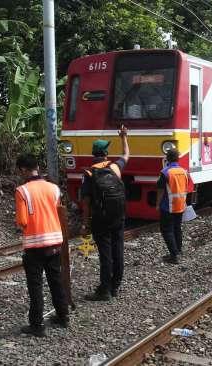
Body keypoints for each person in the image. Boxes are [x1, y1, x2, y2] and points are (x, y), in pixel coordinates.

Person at [15, 154, 69, 337]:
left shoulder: (22, 191)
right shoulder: (54, 189)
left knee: (35, 286)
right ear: (37, 166)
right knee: (56, 281)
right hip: (54, 242)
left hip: (34, 245)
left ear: (23, 169)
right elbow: (58, 211)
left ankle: (37, 325)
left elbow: (22, 221)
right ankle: (63, 316)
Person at [80, 126, 130, 301]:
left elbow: (85, 202)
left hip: (100, 219)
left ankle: (104, 290)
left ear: (94, 154)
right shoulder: (115, 168)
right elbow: (126, 155)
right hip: (118, 216)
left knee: (105, 254)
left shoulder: (88, 173)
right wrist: (124, 137)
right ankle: (116, 285)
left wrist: (85, 224)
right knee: (118, 250)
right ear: (106, 154)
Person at [156, 148, 192, 264]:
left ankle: (174, 255)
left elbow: (161, 191)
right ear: (178, 158)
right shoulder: (184, 171)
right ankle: (178, 250)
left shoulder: (165, 172)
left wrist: (157, 204)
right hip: (181, 205)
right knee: (177, 228)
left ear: (167, 158)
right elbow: (187, 186)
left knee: (167, 230)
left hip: (168, 206)